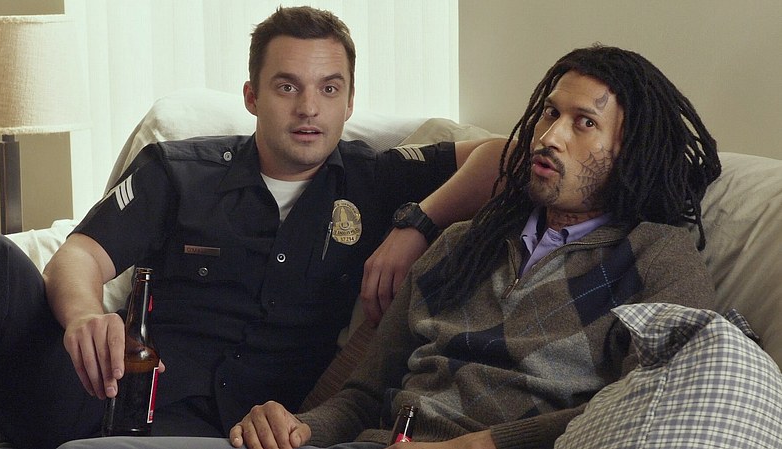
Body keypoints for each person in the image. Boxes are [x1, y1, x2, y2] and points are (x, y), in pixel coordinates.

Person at [56, 44, 724, 449]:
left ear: (630, 149)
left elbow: (654, 397)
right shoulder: (464, 245)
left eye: (584, 123)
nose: (549, 137)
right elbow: (363, 394)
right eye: (549, 113)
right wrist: (298, 427)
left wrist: (482, 444)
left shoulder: (654, 254)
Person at [0, 6, 504, 449]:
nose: (309, 108)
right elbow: (80, 255)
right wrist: (85, 316)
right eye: (287, 86)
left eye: (329, 88)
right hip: (97, 393)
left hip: (234, 433)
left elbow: (505, 154)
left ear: (350, 101)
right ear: (252, 97)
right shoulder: (179, 170)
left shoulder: (375, 179)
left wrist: (417, 224)